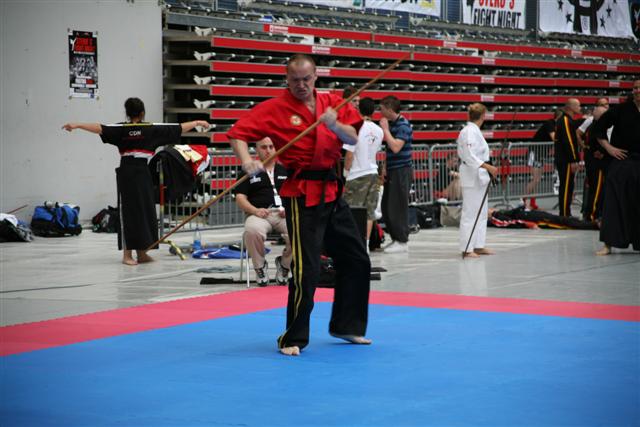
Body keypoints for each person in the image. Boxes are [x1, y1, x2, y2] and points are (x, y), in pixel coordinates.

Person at [227, 54, 371, 356]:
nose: (301, 85)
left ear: (316, 76)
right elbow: (238, 133)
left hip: (332, 191)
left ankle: (347, 325)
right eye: (295, 80)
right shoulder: (275, 108)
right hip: (301, 194)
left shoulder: (333, 102)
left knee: (357, 258)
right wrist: (246, 160)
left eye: (306, 79)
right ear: (287, 80)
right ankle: (292, 338)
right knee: (307, 270)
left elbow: (353, 138)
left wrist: (334, 124)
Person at [62, 97, 209, 265]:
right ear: (142, 113)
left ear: (127, 113)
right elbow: (178, 128)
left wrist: (77, 125)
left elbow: (100, 128)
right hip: (137, 173)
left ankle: (142, 253)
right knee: (131, 212)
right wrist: (197, 122)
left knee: (142, 211)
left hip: (132, 172)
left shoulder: (122, 129)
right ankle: (127, 255)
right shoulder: (150, 129)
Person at [234, 137, 292, 286]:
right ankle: (260, 267)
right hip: (259, 214)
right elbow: (240, 198)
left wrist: (289, 208)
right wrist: (255, 210)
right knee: (252, 230)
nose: (268, 150)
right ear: (257, 149)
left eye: (271, 147)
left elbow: (297, 194)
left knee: (300, 231)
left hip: (284, 214)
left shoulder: (286, 169)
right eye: (264, 147)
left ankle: (285, 265)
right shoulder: (248, 171)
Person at [593, 80, 640, 255]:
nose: (638, 90)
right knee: (613, 201)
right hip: (623, 160)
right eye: (635, 88)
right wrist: (609, 148)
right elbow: (598, 129)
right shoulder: (621, 109)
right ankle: (608, 244)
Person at [457, 103, 499, 258]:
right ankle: (467, 248)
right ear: (483, 116)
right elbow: (469, 155)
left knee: (482, 212)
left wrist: (487, 168)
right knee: (470, 213)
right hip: (471, 174)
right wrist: (488, 166)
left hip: (480, 176)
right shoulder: (468, 132)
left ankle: (478, 245)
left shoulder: (475, 131)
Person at [342, 97, 383, 252]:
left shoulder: (355, 128)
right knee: (369, 212)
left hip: (357, 174)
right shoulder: (379, 130)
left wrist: (346, 172)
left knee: (351, 211)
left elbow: (349, 154)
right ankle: (364, 245)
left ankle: (353, 244)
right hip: (373, 173)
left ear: (358, 109)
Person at [379, 95, 413, 254]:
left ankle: (402, 240)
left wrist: (385, 130)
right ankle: (395, 238)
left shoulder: (403, 125)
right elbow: (389, 150)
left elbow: (396, 147)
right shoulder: (393, 124)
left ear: (390, 109)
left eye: (382, 109)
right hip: (392, 169)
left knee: (397, 206)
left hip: (401, 170)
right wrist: (385, 167)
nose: (380, 112)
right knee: (387, 206)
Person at [525, 109, 562, 210]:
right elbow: (554, 138)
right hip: (534, 152)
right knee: (535, 179)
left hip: (541, 154)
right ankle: (524, 201)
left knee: (537, 179)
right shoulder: (550, 123)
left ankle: (532, 203)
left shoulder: (558, 126)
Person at [554, 98, 582, 217]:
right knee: (566, 186)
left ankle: (566, 212)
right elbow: (569, 141)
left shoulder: (568, 120)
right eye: (578, 105)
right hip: (565, 160)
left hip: (566, 159)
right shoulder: (565, 120)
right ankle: (564, 214)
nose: (580, 108)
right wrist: (573, 160)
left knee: (569, 186)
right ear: (571, 107)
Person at [582, 105, 610, 223]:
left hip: (593, 161)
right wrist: (602, 152)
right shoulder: (597, 127)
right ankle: (592, 215)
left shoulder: (592, 125)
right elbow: (598, 144)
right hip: (597, 163)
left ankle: (592, 213)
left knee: (595, 189)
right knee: (597, 190)